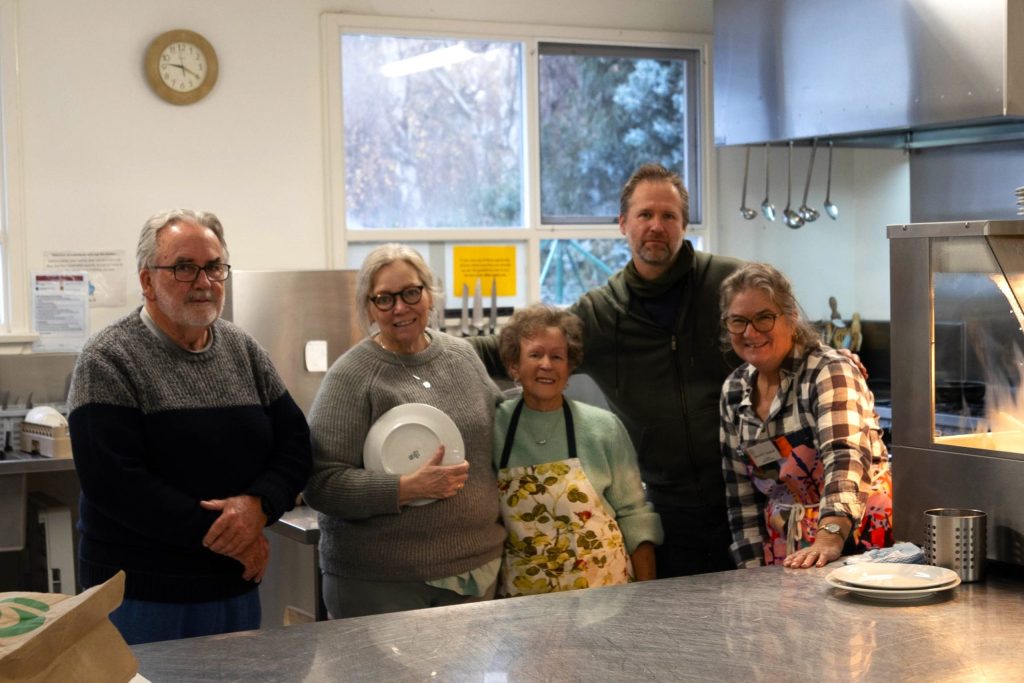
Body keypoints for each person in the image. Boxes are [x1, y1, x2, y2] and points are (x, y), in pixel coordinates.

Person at [471, 163, 743, 577]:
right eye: (645, 215)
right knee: (683, 635)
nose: (656, 225)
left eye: (668, 215)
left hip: (746, 499)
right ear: (622, 224)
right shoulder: (601, 313)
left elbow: (785, 331)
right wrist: (421, 344)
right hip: (667, 510)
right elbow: (503, 350)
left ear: (684, 224)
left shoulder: (728, 284)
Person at [66, 209, 312, 644]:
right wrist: (236, 537)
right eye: (184, 267)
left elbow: (294, 444)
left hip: (233, 588)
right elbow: (115, 484)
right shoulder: (108, 358)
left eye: (214, 267)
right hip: (141, 597)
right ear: (147, 281)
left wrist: (259, 506)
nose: (204, 281)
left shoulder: (244, 350)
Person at [304, 243, 505, 618]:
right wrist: (405, 489)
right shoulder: (352, 377)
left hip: (475, 572)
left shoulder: (462, 357)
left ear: (429, 294)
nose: (400, 307)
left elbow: (501, 436)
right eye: (384, 299)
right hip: (380, 582)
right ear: (368, 307)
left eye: (411, 292)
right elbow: (320, 483)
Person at [718, 262, 893, 569]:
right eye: (738, 321)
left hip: (855, 539)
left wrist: (829, 536)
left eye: (764, 318)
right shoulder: (734, 390)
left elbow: (844, 457)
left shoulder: (828, 370)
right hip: (786, 547)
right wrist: (750, 572)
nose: (750, 332)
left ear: (791, 318)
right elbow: (740, 495)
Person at [493, 304, 663, 595]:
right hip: (526, 603)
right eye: (535, 355)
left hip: (606, 593)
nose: (547, 364)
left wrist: (646, 597)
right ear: (514, 366)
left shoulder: (603, 427)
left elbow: (635, 516)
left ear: (569, 369)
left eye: (557, 356)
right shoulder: (495, 427)